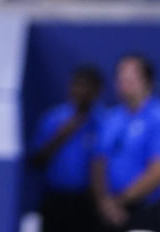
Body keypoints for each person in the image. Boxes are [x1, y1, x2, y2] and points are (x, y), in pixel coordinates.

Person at [92, 54, 160, 232]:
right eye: (120, 77)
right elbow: (98, 162)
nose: (124, 82)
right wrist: (103, 201)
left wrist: (121, 200)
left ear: (148, 81)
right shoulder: (111, 118)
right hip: (109, 210)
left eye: (131, 77)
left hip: (144, 209)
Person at [29, 65, 104, 232]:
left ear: (97, 90)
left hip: (89, 203)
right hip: (55, 199)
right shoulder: (53, 118)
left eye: (87, 86)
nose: (81, 90)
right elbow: (36, 160)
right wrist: (63, 134)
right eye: (77, 85)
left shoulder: (105, 123)